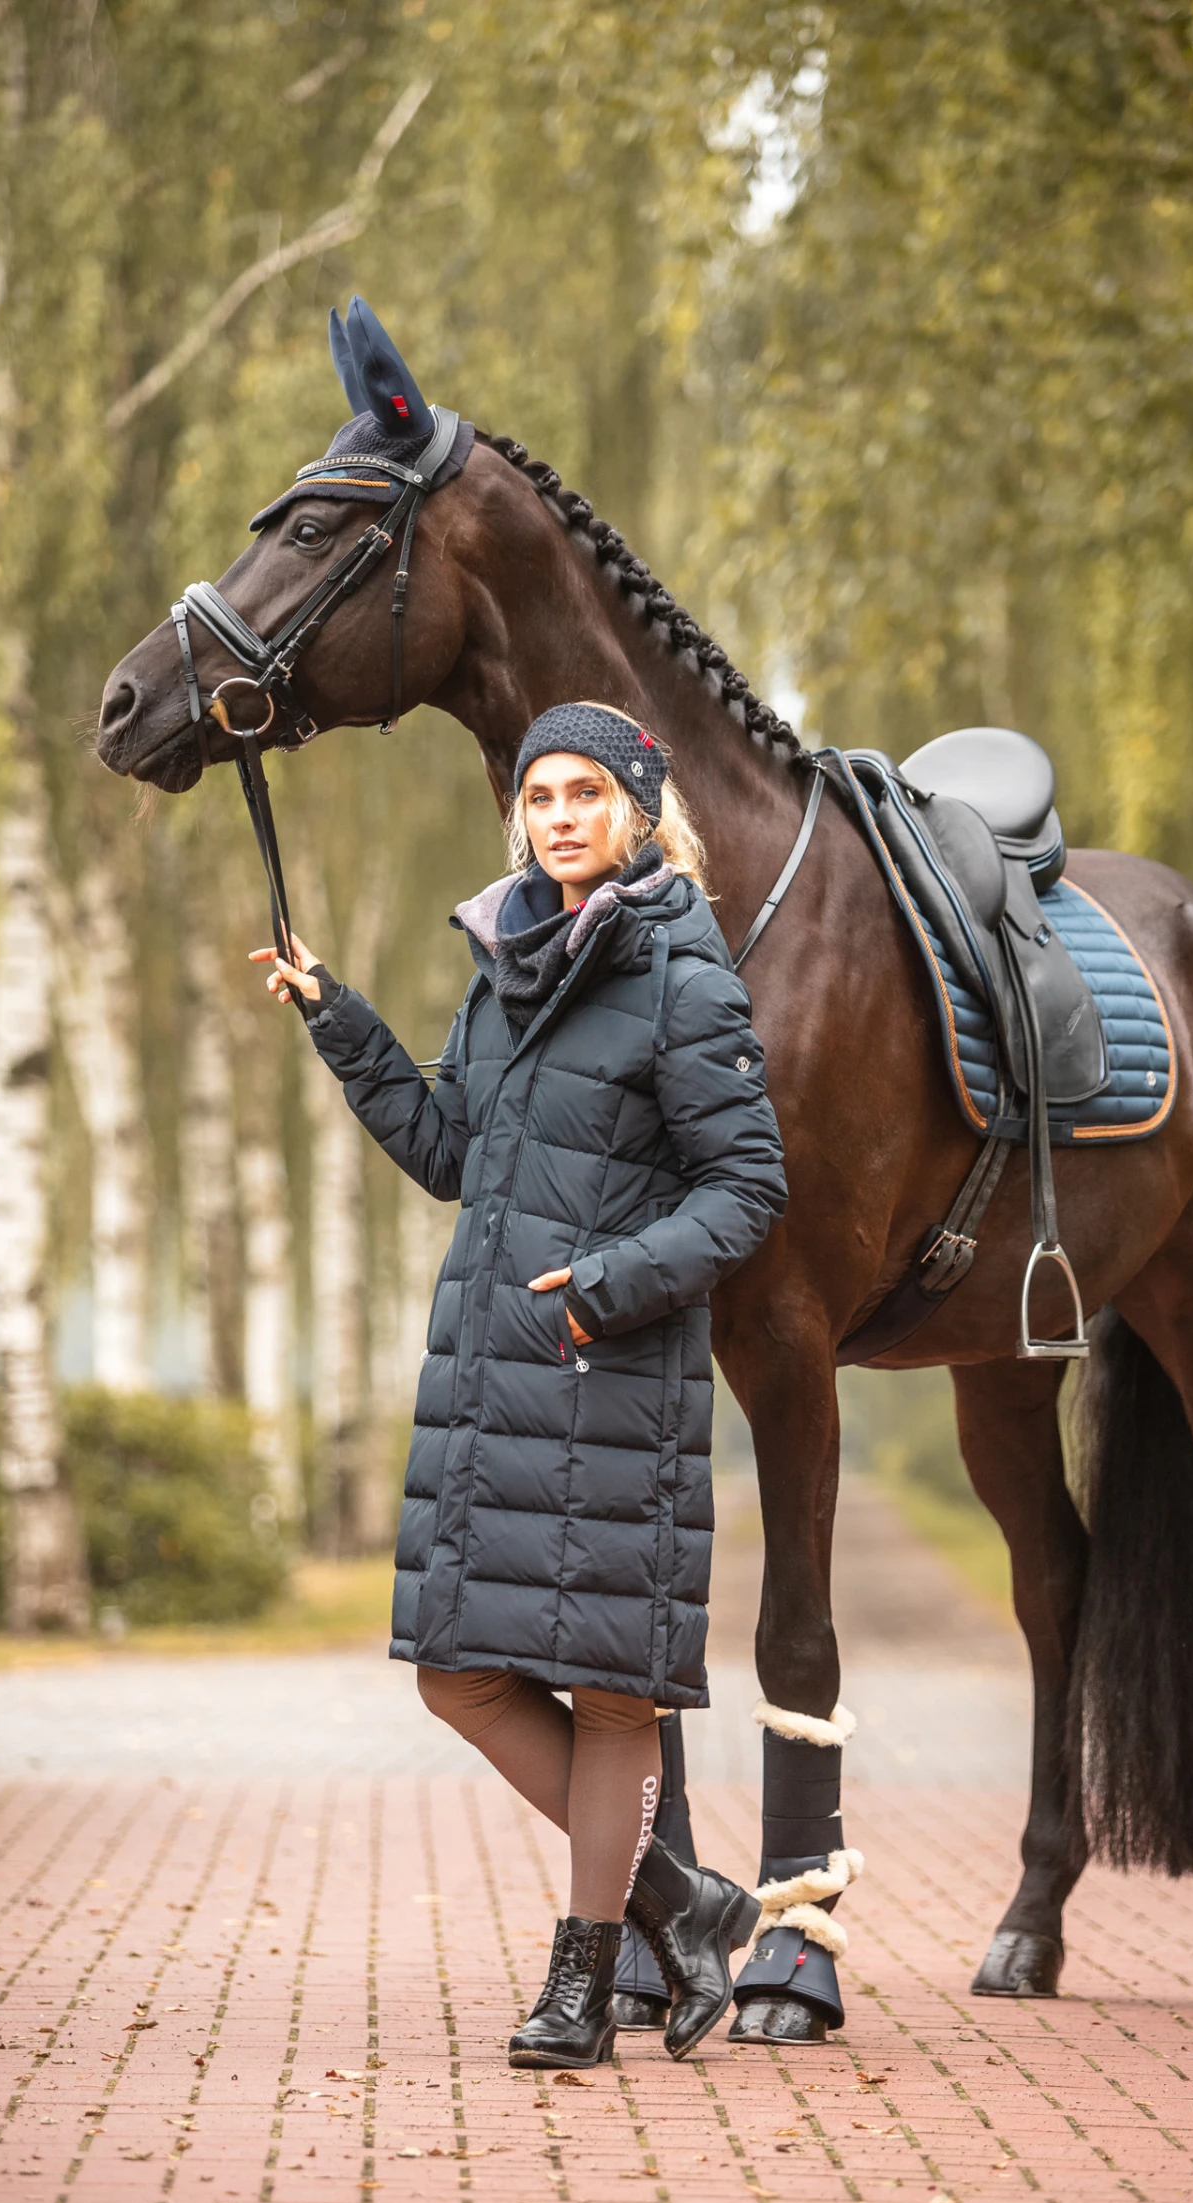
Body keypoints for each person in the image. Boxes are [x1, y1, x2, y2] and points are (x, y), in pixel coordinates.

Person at [254, 701, 787, 2069]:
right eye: (541, 795)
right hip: (494, 1381)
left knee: (611, 1691)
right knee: (456, 1673)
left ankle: (581, 1981)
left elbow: (748, 1191)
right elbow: (450, 1151)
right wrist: (344, 1024)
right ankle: (686, 1897)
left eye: (586, 795)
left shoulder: (685, 973)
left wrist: (610, 1282)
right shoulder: (504, 963)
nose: (559, 816)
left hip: (613, 1374)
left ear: (638, 815)